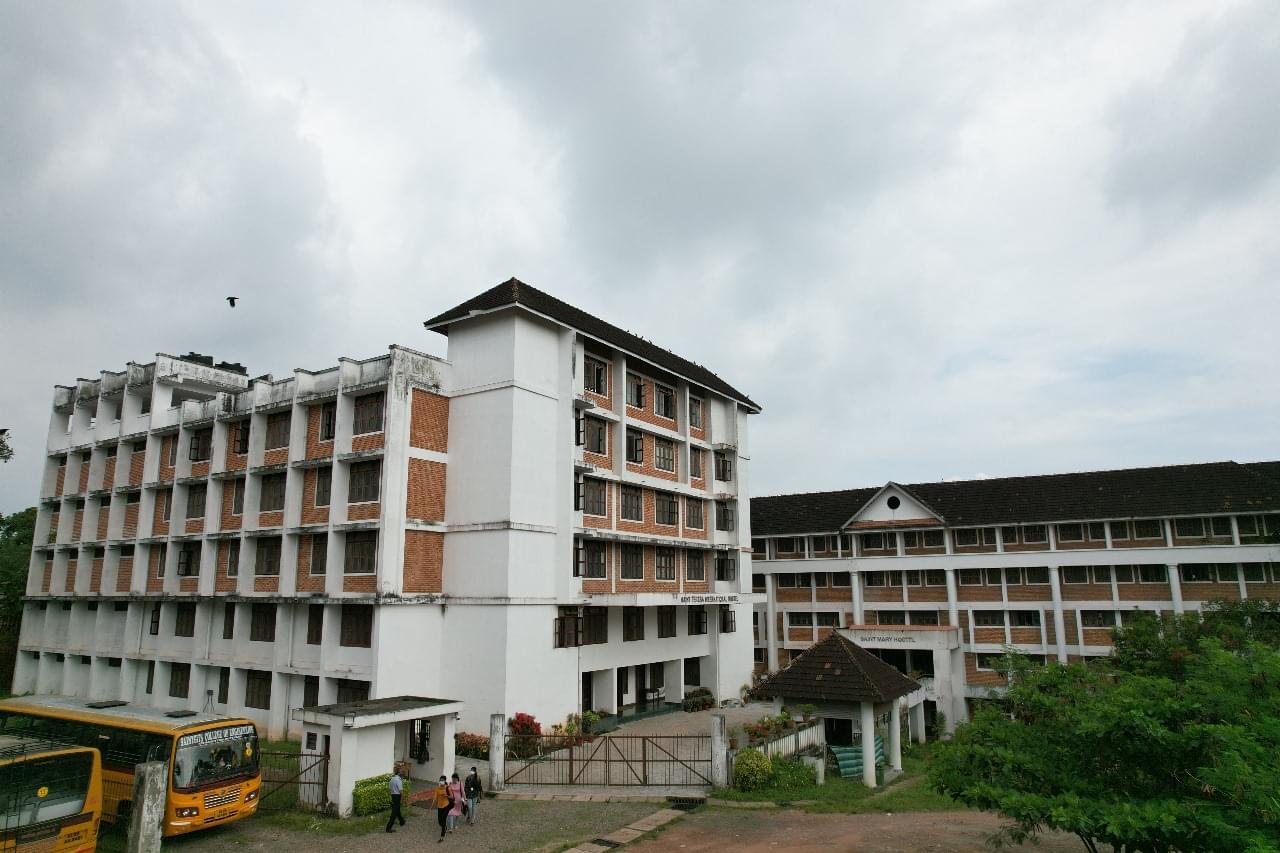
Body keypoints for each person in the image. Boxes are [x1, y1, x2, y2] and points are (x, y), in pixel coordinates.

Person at [385, 767, 405, 833]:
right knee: (394, 813)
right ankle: (388, 828)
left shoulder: (392, 779)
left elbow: (389, 788)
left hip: (393, 795)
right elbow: (401, 791)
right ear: (399, 773)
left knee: (397, 810)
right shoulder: (398, 780)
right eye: (402, 772)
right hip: (397, 796)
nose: (403, 773)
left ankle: (402, 821)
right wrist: (402, 799)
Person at [433, 775, 452, 842]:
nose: (441, 781)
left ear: (444, 781)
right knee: (439, 821)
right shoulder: (437, 788)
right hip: (439, 806)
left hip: (446, 805)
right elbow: (435, 797)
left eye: (442, 780)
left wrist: (447, 795)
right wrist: (432, 804)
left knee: (443, 820)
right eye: (440, 780)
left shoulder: (447, 788)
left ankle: (442, 836)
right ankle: (445, 827)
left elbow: (451, 797)